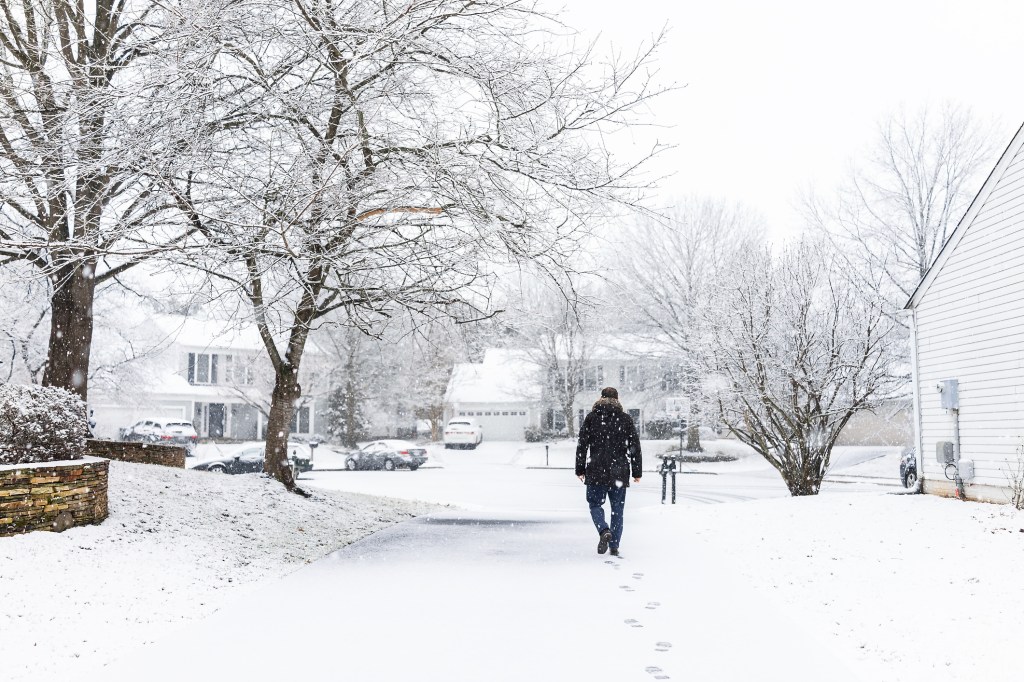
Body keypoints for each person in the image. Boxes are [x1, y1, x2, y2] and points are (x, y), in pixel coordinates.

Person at [575, 386, 642, 556]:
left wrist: (580, 469)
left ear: (601, 398)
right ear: (618, 400)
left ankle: (603, 530)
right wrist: (636, 472)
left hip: (596, 470)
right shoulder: (625, 419)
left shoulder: (591, 418)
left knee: (595, 504)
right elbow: (634, 446)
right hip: (619, 471)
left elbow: (582, 446)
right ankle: (614, 545)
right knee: (617, 510)